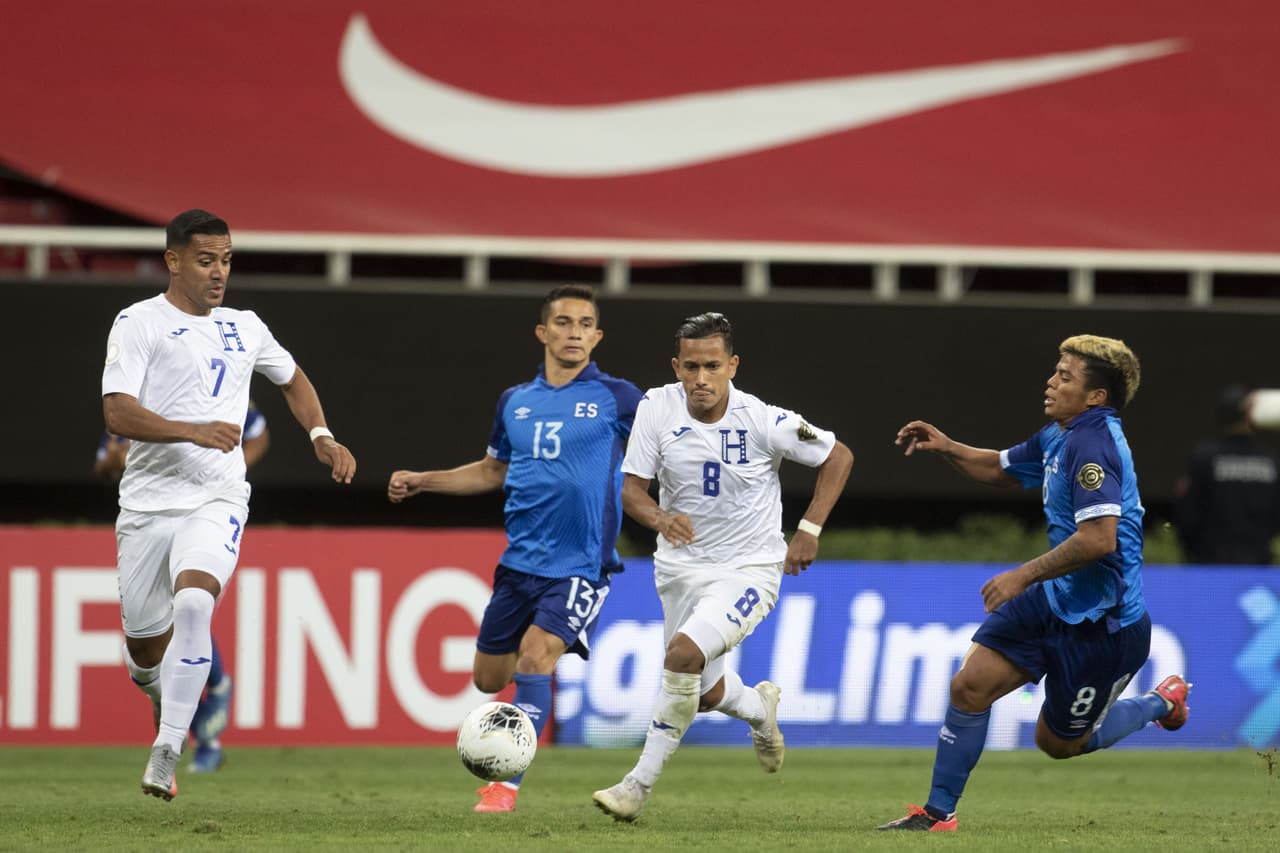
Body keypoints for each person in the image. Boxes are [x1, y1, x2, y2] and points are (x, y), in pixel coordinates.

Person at [877, 334, 1189, 832]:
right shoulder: (1060, 434)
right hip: (1054, 599)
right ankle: (938, 814)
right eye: (1055, 371)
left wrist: (1022, 574)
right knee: (970, 685)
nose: (1051, 381)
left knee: (1058, 744)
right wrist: (948, 447)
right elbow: (1003, 468)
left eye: (1065, 376)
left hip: (1104, 625)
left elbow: (1099, 540)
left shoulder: (1094, 444)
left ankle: (1161, 702)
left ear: (1096, 397)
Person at [102, 209, 356, 801]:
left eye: (226, 260)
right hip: (146, 505)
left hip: (217, 497)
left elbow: (293, 380)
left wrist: (322, 436)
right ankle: (166, 696)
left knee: (195, 599)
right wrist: (192, 430)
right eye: (205, 260)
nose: (219, 273)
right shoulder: (138, 323)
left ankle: (167, 750)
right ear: (173, 261)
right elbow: (117, 413)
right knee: (145, 653)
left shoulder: (245, 326)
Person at [387, 284, 642, 814]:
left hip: (581, 566)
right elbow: (491, 471)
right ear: (543, 333)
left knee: (535, 655)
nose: (574, 333)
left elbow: (667, 443)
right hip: (519, 565)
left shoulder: (618, 398)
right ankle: (517, 717)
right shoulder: (515, 402)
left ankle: (504, 786)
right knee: (489, 678)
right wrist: (425, 481)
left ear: (597, 336)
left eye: (584, 324)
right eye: (564, 323)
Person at [592, 312, 854, 823]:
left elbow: (838, 456)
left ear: (732, 365)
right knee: (706, 692)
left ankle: (635, 786)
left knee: (682, 655)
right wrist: (660, 518)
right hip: (680, 569)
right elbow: (630, 491)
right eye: (690, 367)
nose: (701, 379)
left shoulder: (763, 419)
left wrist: (809, 529)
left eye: (712, 365)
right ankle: (760, 711)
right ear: (676, 366)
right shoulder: (655, 407)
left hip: (750, 568)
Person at [95, 400, 270, 773]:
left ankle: (208, 728)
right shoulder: (130, 407)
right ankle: (202, 711)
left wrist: (232, 471)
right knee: (157, 640)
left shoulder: (206, 388)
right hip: (148, 519)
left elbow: (257, 433)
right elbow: (104, 464)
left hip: (202, 512)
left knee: (189, 606)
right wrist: (116, 462)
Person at [1173, 384, 1280, 565]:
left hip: (1210, 566)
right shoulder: (1271, 461)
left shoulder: (1204, 458)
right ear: (1249, 415)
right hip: (1257, 567)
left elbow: (1188, 515)